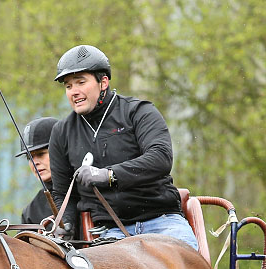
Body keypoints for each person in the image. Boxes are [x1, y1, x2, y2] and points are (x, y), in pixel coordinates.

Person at [47, 45, 197, 250]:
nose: (74, 92)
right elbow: (63, 194)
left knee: (189, 266)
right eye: (68, 86)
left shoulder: (139, 112)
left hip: (163, 222)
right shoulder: (61, 132)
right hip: (109, 231)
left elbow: (161, 158)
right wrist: (65, 223)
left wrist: (108, 175)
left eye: (81, 82)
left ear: (104, 82)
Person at [16, 117, 59, 226]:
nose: (35, 163)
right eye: (29, 158)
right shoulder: (31, 212)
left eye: (41, 154)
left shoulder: (87, 193)